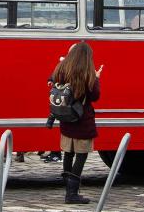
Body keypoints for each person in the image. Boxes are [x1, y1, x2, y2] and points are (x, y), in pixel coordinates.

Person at [50, 42, 102, 204]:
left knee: (68, 154)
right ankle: (71, 193)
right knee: (81, 156)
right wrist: (97, 78)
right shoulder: (87, 74)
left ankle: (68, 188)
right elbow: (95, 96)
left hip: (66, 119)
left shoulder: (61, 69)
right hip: (82, 121)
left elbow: (52, 82)